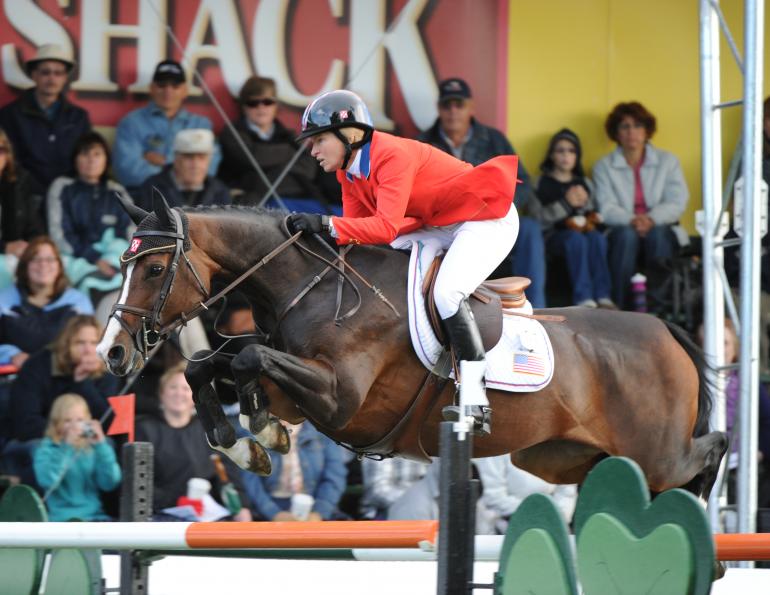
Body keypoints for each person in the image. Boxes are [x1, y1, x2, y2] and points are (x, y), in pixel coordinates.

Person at [289, 90, 520, 430]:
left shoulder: (390, 154)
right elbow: (355, 234)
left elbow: (383, 226)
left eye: (319, 140)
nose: (313, 151)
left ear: (350, 134)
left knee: (446, 294)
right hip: (440, 223)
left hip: (485, 218)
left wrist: (325, 224)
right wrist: (320, 237)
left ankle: (475, 399)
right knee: (385, 259)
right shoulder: (348, 172)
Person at [418, 78, 546, 308]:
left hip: (492, 215)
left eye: (459, 104)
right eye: (447, 105)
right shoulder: (423, 143)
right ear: (439, 108)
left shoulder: (493, 139)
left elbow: (523, 182)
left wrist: (501, 207)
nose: (453, 111)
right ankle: (438, 312)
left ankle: (536, 307)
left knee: (530, 230)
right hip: (445, 223)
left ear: (471, 107)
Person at [593, 101, 689, 310]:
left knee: (658, 235)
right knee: (626, 236)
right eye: (625, 126)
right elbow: (605, 206)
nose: (631, 132)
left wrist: (651, 219)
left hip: (661, 226)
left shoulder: (668, 161)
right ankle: (619, 308)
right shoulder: (604, 166)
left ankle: (658, 308)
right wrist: (633, 220)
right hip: (622, 228)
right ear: (616, 132)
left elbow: (677, 201)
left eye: (637, 125)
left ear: (647, 131)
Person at [2, 315, 117, 486]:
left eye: (94, 343)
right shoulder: (37, 366)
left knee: (106, 446)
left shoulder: (105, 370)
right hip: (37, 440)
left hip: (84, 440)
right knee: (45, 452)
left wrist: (83, 383)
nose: (88, 350)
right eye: (80, 343)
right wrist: (67, 435)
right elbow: (25, 424)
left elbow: (108, 423)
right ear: (66, 344)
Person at [135, 363, 252, 521]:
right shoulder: (144, 429)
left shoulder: (209, 430)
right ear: (161, 394)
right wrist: (177, 501)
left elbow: (227, 475)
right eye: (173, 387)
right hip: (160, 515)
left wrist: (241, 507)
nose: (179, 393)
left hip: (205, 515)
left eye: (185, 389)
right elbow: (139, 482)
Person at [531, 129, 615, 308]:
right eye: (560, 151)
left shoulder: (584, 182)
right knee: (575, 239)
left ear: (577, 156)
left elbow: (592, 215)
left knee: (597, 238)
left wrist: (585, 206)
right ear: (551, 155)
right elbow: (537, 218)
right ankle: (583, 298)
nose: (566, 156)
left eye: (571, 151)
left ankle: (603, 295)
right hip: (554, 236)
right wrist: (566, 203)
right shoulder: (540, 182)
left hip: (584, 232)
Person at [113, 59, 220, 193]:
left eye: (175, 86)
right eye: (161, 85)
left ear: (185, 90)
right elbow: (127, 171)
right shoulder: (131, 123)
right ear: (151, 88)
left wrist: (162, 162)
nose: (168, 90)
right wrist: (181, 171)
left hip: (190, 199)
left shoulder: (201, 125)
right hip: (145, 197)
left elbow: (210, 168)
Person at [218, 76, 322, 209]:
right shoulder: (232, 133)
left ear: (276, 105)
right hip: (248, 206)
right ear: (243, 106)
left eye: (267, 102)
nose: (261, 107)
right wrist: (288, 153)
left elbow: (309, 168)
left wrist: (264, 173)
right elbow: (252, 158)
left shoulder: (288, 135)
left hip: (292, 202)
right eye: (253, 103)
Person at [0, 44, 90, 188]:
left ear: (65, 77)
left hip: (67, 194)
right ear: (34, 75)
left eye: (58, 73)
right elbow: (8, 161)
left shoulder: (79, 117)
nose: (52, 78)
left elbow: (85, 159)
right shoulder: (9, 115)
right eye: (45, 72)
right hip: (23, 194)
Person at [47, 131, 132, 277]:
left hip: (114, 259)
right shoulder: (62, 187)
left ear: (106, 159)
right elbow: (59, 235)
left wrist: (114, 259)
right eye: (85, 154)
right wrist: (94, 258)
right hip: (75, 257)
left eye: (97, 154)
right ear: (75, 159)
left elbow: (130, 232)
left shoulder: (118, 192)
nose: (91, 160)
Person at [0, 237, 93, 368]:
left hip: (67, 373)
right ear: (24, 266)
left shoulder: (78, 302)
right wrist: (11, 354)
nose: (43, 264)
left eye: (50, 259)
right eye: (35, 259)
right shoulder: (3, 301)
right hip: (15, 374)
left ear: (59, 266)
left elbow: (90, 343)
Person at [32, 393, 121, 521]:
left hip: (95, 517)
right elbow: (47, 482)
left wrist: (101, 446)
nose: (74, 426)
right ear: (56, 423)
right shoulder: (46, 449)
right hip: (61, 520)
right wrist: (66, 447)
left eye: (80, 420)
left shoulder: (92, 448)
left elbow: (110, 483)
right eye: (67, 420)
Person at [240, 421, 348, 522]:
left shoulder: (322, 431)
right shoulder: (252, 432)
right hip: (270, 507)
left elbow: (335, 475)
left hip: (315, 503)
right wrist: (274, 513)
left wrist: (319, 512)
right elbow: (250, 481)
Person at [474, 454, 577, 534]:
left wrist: (556, 517)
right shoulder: (496, 452)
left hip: (551, 525)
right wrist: (536, 514)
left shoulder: (559, 450)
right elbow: (493, 497)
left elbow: (567, 493)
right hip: (502, 527)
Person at [135, 128, 230, 210]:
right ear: (176, 159)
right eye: (189, 157)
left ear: (209, 161)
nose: (195, 164)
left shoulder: (220, 191)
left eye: (202, 157)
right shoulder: (151, 189)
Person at [0, 128, 45, 266]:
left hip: (16, 255)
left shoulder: (19, 180)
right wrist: (5, 247)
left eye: (0, 150)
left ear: (7, 154)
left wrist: (32, 247)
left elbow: (34, 225)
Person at [359, 457, 430, 519]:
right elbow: (377, 492)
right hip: (384, 511)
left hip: (425, 507)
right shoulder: (379, 448)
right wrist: (415, 500)